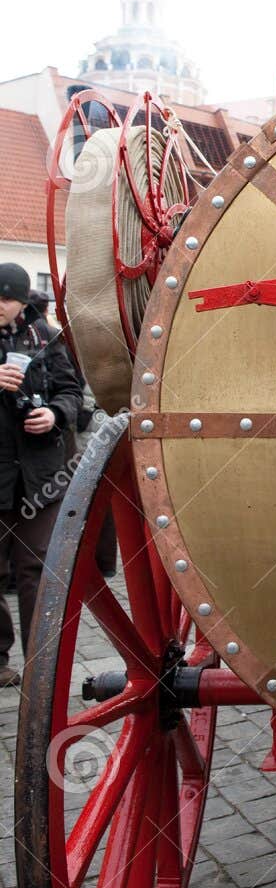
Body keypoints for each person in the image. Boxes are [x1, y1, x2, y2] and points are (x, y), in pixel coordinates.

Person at [0, 262, 84, 687]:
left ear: (21, 301)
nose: (0, 305)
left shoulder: (47, 338)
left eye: (7, 298)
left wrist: (53, 415)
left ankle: (39, 667)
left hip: (41, 476)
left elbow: (72, 393)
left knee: (36, 568)